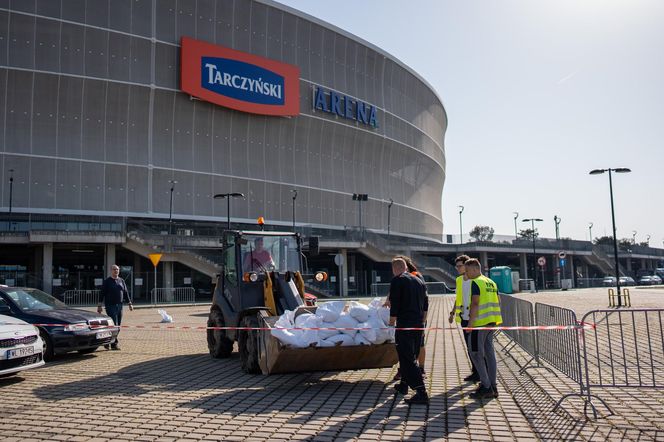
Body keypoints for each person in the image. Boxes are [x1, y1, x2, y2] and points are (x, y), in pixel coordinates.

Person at [389, 257, 429, 405]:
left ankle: (421, 392)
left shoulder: (398, 280)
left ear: (395, 269)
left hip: (404, 324)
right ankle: (404, 385)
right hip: (418, 324)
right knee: (412, 355)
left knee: (406, 358)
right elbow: (426, 302)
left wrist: (391, 320)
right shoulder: (418, 280)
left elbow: (395, 301)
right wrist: (423, 321)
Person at [464, 258, 503, 399]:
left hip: (479, 324)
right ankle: (493, 386)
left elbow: (475, 303)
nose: (466, 274)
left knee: (475, 354)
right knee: (490, 354)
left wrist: (470, 325)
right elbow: (498, 301)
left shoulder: (476, 282)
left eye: (467, 271)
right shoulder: (491, 282)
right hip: (491, 322)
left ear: (475, 269)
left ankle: (486, 387)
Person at [448, 254, 480, 382]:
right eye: (457, 266)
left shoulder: (475, 280)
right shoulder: (459, 280)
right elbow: (458, 297)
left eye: (460, 266)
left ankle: (480, 373)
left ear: (467, 265)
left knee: (476, 347)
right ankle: (475, 371)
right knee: (469, 346)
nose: (458, 268)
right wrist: (452, 312)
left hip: (474, 319)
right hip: (464, 318)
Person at [97, 264, 133, 350]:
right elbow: (102, 294)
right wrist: (99, 305)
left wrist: (129, 303)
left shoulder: (122, 281)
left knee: (118, 326)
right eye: (114, 269)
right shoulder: (107, 281)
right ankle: (114, 344)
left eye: (117, 269)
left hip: (119, 306)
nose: (116, 271)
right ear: (111, 271)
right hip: (110, 306)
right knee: (114, 325)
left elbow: (125, 293)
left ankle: (108, 341)